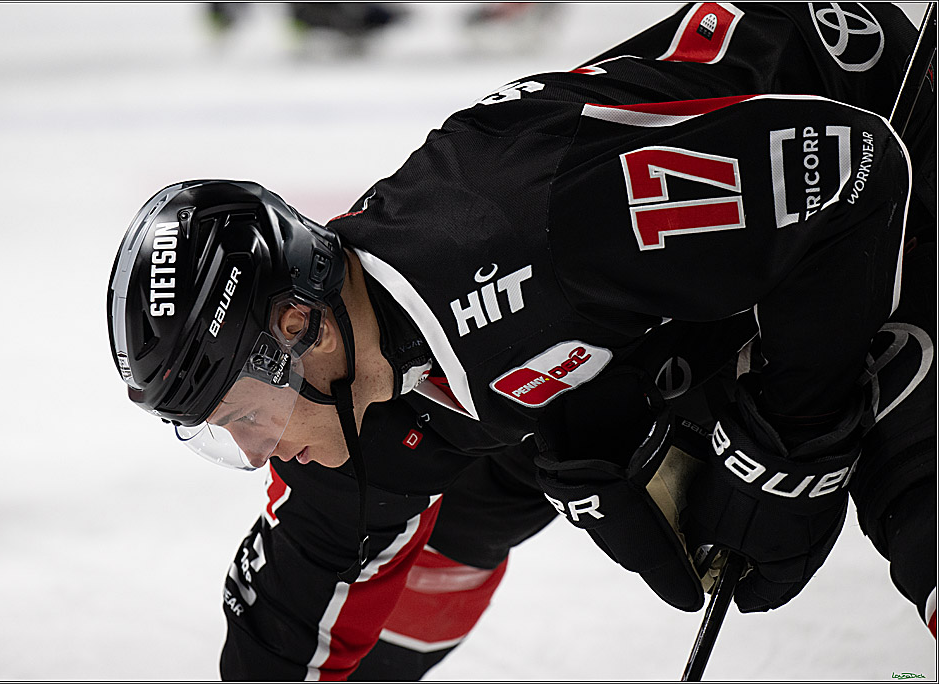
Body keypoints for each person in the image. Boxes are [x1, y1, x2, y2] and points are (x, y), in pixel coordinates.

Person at [107, 2, 936, 679]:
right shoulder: (351, 403)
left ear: (301, 326)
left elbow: (848, 166)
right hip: (691, 281)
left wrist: (794, 434)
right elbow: (283, 614)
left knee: (913, 469)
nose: (254, 454)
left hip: (885, 140)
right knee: (446, 507)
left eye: (244, 416)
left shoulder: (534, 228)